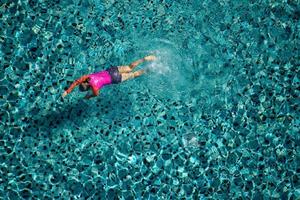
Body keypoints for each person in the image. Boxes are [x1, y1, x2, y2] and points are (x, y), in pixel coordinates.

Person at [62, 55, 156, 99]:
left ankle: (149, 69)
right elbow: (75, 82)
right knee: (129, 67)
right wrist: (67, 91)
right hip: (112, 71)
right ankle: (145, 59)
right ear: (83, 83)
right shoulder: (87, 77)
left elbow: (96, 94)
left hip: (115, 79)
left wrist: (88, 96)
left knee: (134, 74)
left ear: (87, 89)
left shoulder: (95, 88)